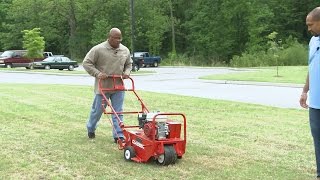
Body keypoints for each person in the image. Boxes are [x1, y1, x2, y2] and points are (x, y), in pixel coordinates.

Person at [83, 27, 132, 142]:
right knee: (97, 111)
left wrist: (127, 72)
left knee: (118, 112)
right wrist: (98, 73)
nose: (118, 41)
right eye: (116, 38)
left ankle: (118, 135)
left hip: (118, 86)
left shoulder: (125, 50)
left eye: (120, 38)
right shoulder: (98, 49)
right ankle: (91, 128)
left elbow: (129, 64)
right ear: (109, 37)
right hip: (103, 87)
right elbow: (86, 63)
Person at [300, 7, 320, 178]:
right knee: (318, 140)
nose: (309, 29)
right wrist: (305, 91)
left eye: (311, 24)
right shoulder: (313, 42)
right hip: (315, 103)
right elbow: (311, 66)